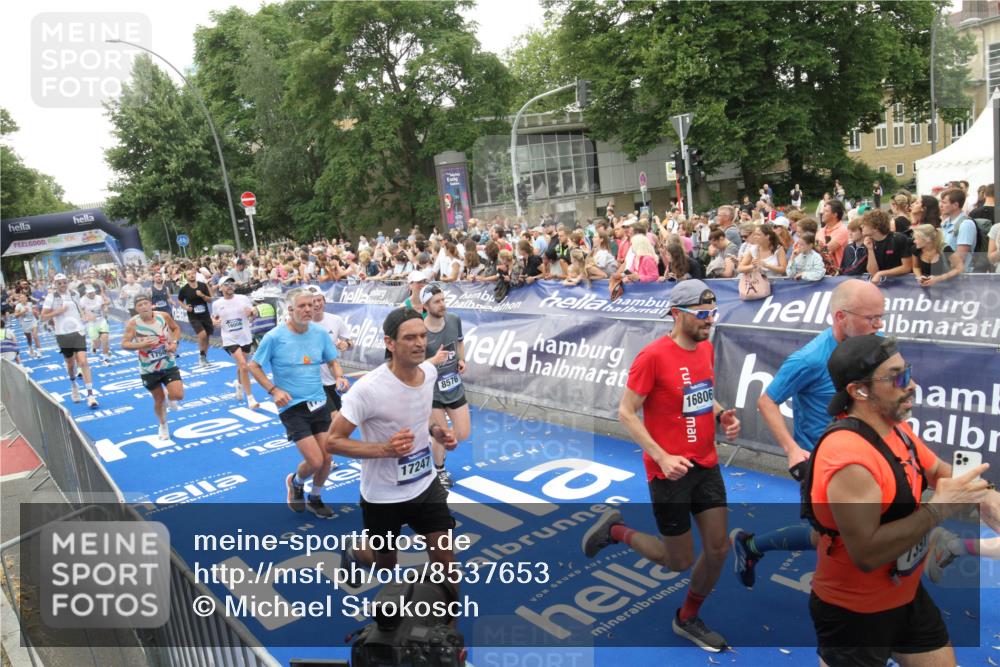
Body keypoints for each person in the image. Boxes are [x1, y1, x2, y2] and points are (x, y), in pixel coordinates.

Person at [805, 334, 1000, 667]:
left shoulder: (896, 430)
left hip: (906, 595)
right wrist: (939, 509)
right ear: (859, 391)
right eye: (898, 378)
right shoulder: (848, 457)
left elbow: (939, 469)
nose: (912, 385)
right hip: (854, 613)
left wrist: (987, 494)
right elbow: (867, 553)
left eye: (907, 371)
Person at [581, 280, 740, 652]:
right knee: (678, 560)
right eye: (702, 315)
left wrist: (720, 416)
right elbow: (625, 412)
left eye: (712, 313)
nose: (709, 321)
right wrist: (662, 456)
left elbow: (699, 393)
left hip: (705, 463)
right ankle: (616, 530)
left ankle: (687, 617)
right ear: (677, 314)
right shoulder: (652, 356)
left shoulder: (704, 348)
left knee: (718, 549)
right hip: (668, 473)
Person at [732, 280, 885, 587]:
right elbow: (766, 401)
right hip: (822, 465)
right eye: (871, 318)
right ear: (841, 317)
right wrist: (791, 449)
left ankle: (751, 546)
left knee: (835, 534)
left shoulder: (874, 345)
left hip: (864, 459)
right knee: (837, 537)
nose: (879, 325)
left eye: (881, 317)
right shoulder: (811, 358)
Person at [326, 308, 460, 591]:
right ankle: (354, 552)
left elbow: (424, 415)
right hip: (383, 496)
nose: (420, 344)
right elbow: (332, 441)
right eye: (410, 338)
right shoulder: (367, 390)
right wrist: (385, 449)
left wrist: (438, 432)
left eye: (423, 336)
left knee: (446, 560)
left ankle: (448, 631)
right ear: (390, 343)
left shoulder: (429, 372)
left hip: (425, 485)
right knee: (385, 564)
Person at [249, 287, 342, 519]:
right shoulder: (274, 337)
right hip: (292, 407)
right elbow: (253, 365)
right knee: (315, 460)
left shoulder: (319, 333)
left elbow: (332, 360)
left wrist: (339, 376)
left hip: (319, 402)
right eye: (302, 306)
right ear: (289, 310)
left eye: (311, 305)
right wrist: (273, 390)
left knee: (327, 459)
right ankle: (296, 482)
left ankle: (316, 497)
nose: (308, 309)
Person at [419, 283, 469, 490]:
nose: (442, 305)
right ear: (425, 306)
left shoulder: (454, 319)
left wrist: (462, 359)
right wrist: (434, 360)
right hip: (432, 391)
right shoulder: (419, 331)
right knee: (441, 435)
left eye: (443, 300)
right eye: (437, 302)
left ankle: (427, 438)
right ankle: (439, 470)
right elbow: (414, 367)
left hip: (454, 385)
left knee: (463, 433)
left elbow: (459, 341)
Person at [122, 294, 184, 440]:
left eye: (145, 304)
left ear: (151, 305)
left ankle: (171, 396)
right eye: (139, 305)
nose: (143, 307)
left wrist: (174, 343)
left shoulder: (163, 316)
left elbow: (175, 329)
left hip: (167, 363)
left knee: (178, 395)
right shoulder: (133, 323)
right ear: (136, 309)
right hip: (148, 368)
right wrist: (140, 345)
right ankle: (163, 425)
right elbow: (124, 343)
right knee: (158, 399)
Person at [40, 274, 98, 408]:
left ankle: (90, 395)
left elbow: (80, 310)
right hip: (62, 334)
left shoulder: (74, 293)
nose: (62, 285)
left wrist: (86, 316)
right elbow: (43, 317)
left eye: (64, 282)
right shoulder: (51, 297)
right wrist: (58, 311)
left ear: (67, 282)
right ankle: (74, 385)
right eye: (59, 283)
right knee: (71, 365)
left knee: (83, 361)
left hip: (78, 331)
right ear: (54, 284)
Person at [212, 276, 260, 409]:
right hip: (229, 339)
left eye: (231, 283)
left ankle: (239, 384)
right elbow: (214, 318)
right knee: (244, 366)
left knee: (241, 367)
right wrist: (214, 322)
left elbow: (254, 312)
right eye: (226, 284)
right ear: (220, 288)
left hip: (245, 337)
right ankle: (250, 398)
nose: (229, 286)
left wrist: (252, 312)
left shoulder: (243, 298)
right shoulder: (217, 304)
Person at [307, 286, 352, 422]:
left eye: (319, 300)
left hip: (332, 377)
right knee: (333, 417)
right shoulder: (301, 324)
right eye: (312, 301)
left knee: (337, 417)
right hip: (311, 381)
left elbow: (349, 341)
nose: (317, 304)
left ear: (324, 301)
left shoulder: (335, 320)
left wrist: (346, 345)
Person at [177, 268, 214, 367]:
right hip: (194, 316)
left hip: (205, 315)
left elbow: (210, 300)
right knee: (202, 335)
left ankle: (203, 357)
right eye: (189, 274)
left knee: (207, 337)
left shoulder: (202, 286)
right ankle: (202, 356)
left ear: (195, 274)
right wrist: (185, 307)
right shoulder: (184, 289)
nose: (191, 276)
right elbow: (179, 300)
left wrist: (202, 295)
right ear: (186, 277)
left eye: (192, 274)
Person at [939, 187, 978, 272]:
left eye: (944, 202)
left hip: (960, 278)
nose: (940, 205)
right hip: (946, 275)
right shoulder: (945, 223)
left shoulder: (966, 224)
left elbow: (960, 257)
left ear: (956, 205)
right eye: (940, 202)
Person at [79, 285, 111, 364]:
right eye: (89, 293)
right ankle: (93, 346)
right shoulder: (83, 300)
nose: (91, 294)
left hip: (101, 320)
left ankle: (105, 357)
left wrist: (105, 309)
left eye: (92, 292)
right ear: (86, 293)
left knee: (105, 338)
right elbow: (81, 311)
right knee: (97, 344)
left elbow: (104, 305)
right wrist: (85, 316)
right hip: (91, 323)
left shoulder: (99, 298)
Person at [817, 199, 849, 269]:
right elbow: (816, 247)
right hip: (821, 270)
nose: (823, 213)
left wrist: (815, 247)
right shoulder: (821, 230)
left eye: (826, 211)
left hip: (837, 272)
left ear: (835, 215)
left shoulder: (842, 230)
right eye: (823, 210)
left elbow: (826, 250)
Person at [13, 293, 42, 358]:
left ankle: (39, 351)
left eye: (24, 297)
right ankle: (30, 348)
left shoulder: (30, 304)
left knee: (35, 336)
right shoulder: (18, 306)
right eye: (21, 298)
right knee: (29, 338)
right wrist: (23, 311)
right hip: (24, 324)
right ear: (19, 299)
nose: (23, 299)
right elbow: (16, 316)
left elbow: (36, 313)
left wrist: (36, 314)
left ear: (26, 298)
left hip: (33, 322)